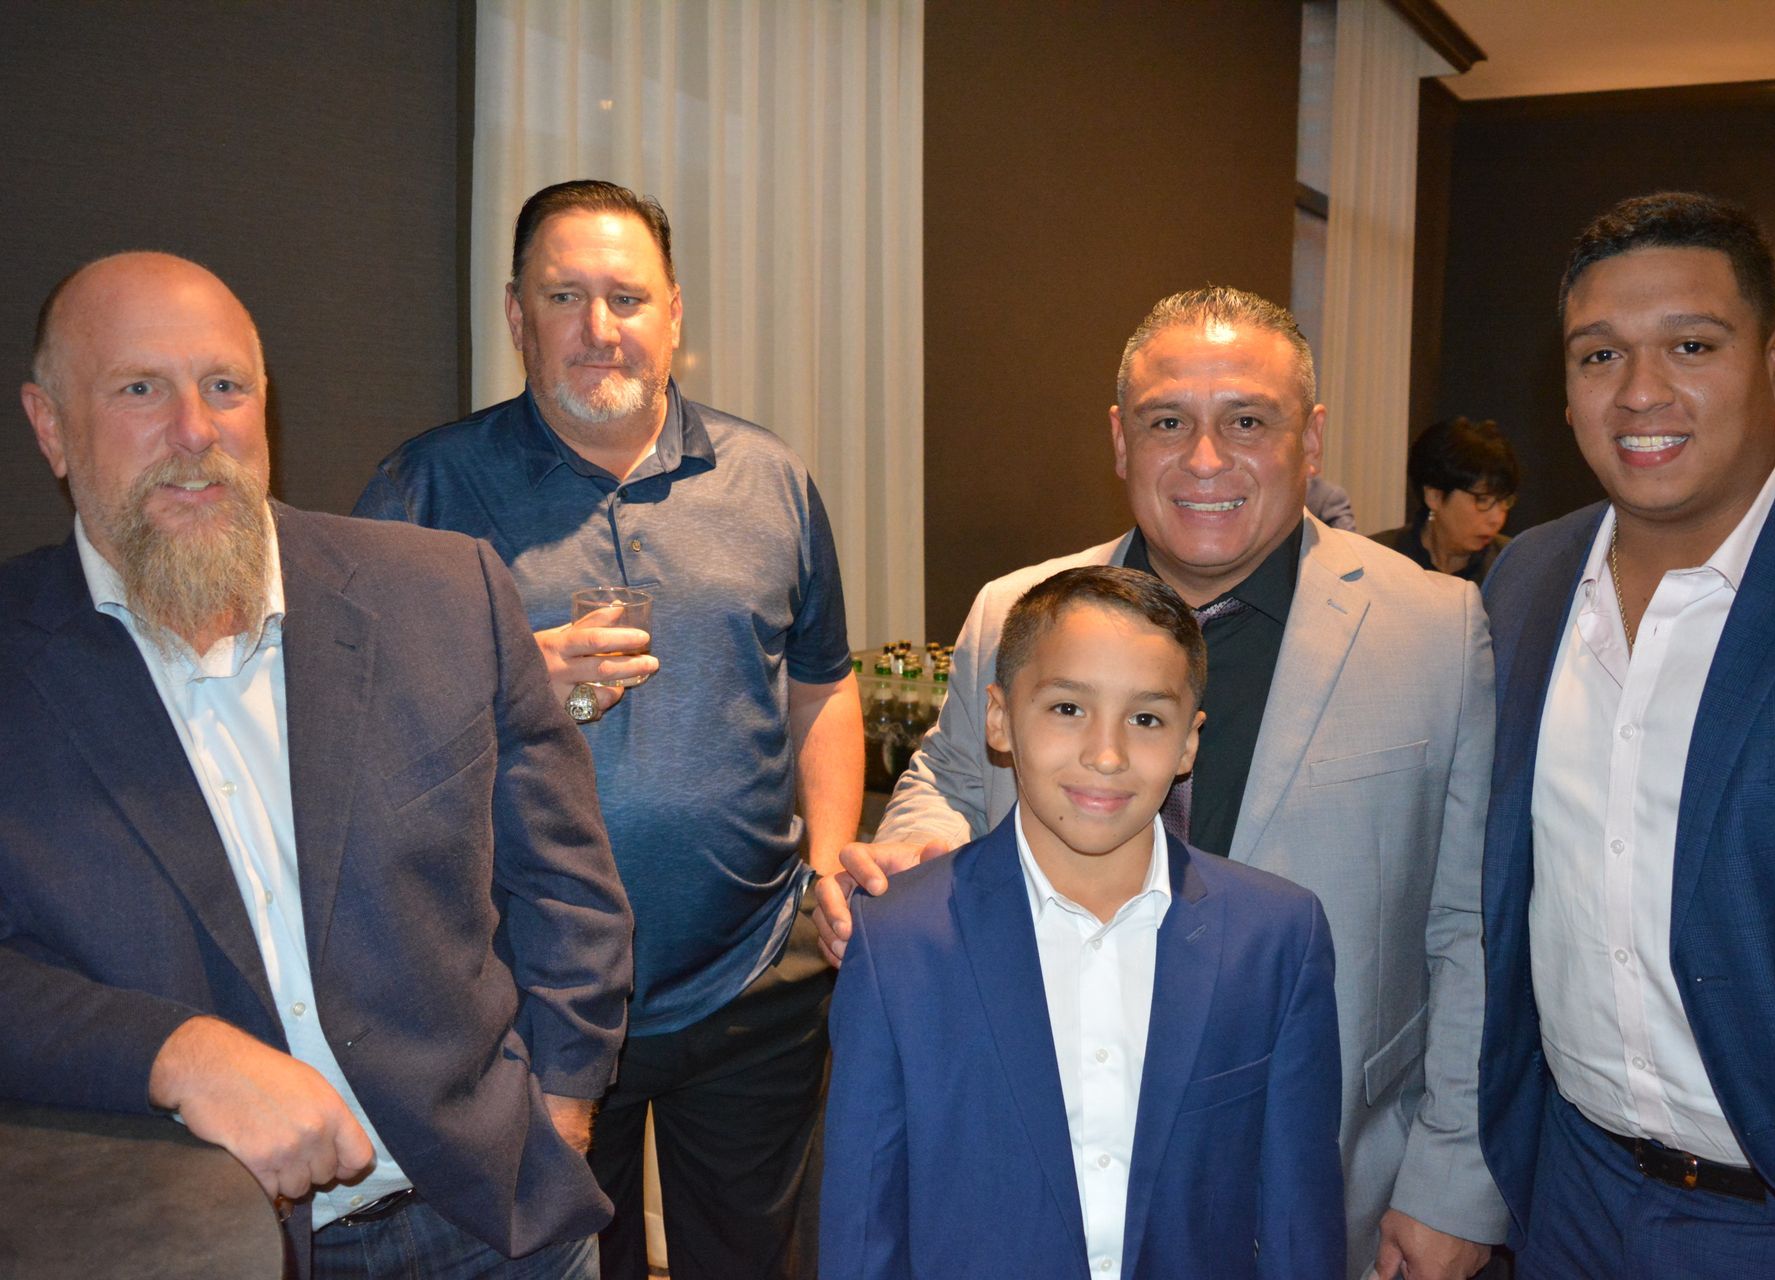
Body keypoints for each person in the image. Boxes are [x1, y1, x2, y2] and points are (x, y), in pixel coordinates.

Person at [820, 286, 1504, 1279]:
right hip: (1042, 1176)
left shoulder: (1438, 631)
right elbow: (948, 774)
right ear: (1118, 437)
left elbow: (1468, 922)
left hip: (1325, 1174)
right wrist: (915, 839)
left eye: (1248, 422)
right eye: (1167, 422)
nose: (1206, 459)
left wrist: (1451, 1179)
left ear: (1311, 438)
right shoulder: (1011, 611)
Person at [2, 252, 633, 1278]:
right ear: (49, 425)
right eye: (137, 389)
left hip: (493, 1222)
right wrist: (173, 1052)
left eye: (224, 386)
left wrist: (563, 1100)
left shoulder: (442, 593)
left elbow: (565, 878)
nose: (194, 433)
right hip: (202, 1239)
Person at [355, 179, 863, 1280]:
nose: (599, 329)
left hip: (752, 978)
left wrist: (828, 858)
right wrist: (511, 673)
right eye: (564, 295)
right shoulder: (425, 491)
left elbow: (823, 685)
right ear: (515, 314)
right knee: (581, 1262)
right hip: (527, 995)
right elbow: (350, 739)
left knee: (754, 1259)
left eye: (626, 297)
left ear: (675, 312)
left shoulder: (771, 479)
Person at [1478, 192, 1775, 1278]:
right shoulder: (1526, 580)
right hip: (1568, 1189)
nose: (1641, 392)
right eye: (1599, 355)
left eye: (1690, 345)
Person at [821, 566, 1343, 1278]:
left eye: (1147, 719)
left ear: (1189, 744)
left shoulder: (1277, 936)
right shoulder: (899, 941)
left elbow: (1297, 1222)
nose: (1106, 754)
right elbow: (863, 1224)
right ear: (1000, 718)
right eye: (1068, 709)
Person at [1371, 417, 1519, 585]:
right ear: (1434, 497)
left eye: (1503, 501)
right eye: (1482, 500)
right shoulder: (1376, 559)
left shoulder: (1515, 568)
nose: (1497, 519)